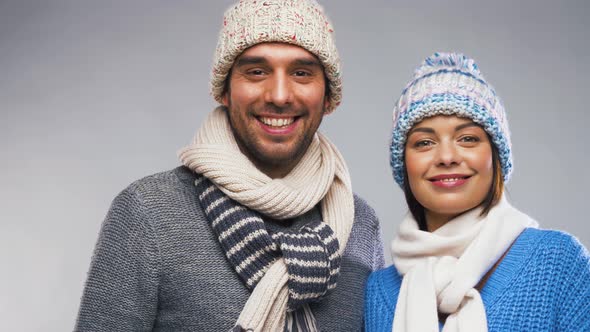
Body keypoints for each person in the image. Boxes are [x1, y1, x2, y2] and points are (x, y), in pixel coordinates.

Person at [75, 1, 384, 331]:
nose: (279, 95)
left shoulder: (360, 224)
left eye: (301, 73)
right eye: (256, 71)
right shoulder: (148, 213)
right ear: (225, 90)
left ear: (328, 98)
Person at [364, 52, 590, 331]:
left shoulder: (558, 263)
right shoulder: (376, 291)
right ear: (404, 164)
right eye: (424, 142)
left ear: (495, 156)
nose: (446, 156)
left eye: (468, 139)